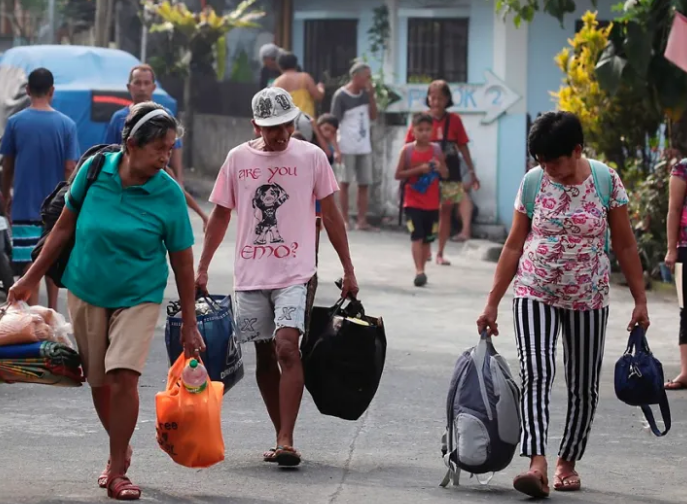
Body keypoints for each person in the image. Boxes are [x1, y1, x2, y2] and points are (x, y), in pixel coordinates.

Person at [8, 102, 204, 501]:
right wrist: (29, 278)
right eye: (159, 149)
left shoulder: (167, 193)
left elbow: (183, 264)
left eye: (170, 148)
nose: (165, 158)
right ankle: (121, 445)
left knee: (123, 376)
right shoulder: (94, 172)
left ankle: (117, 470)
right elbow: (63, 228)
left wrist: (189, 321)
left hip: (139, 295)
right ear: (132, 144)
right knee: (98, 381)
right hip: (86, 290)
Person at [476, 111, 649, 498]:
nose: (548, 169)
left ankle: (566, 461)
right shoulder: (534, 182)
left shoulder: (606, 181)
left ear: (576, 150)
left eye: (554, 162)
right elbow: (513, 245)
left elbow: (624, 244)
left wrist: (641, 301)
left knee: (583, 386)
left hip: (588, 298)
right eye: (541, 162)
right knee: (536, 371)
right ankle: (536, 463)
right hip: (534, 290)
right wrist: (492, 304)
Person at [196, 87, 358, 467]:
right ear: (255, 125)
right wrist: (202, 267)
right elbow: (220, 216)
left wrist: (348, 268)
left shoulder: (312, 157)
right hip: (251, 275)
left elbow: (331, 216)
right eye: (271, 128)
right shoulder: (238, 159)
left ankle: (287, 439)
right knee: (265, 356)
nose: (280, 134)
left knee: (287, 347)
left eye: (286, 125)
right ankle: (279, 434)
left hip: (295, 272)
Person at [0, 67, 80, 310]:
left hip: (25, 206)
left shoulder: (15, 123)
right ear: (52, 91)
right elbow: (70, 168)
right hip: (58, 210)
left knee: (28, 264)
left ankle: (32, 315)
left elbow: (7, 165)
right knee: (53, 260)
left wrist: (5, 196)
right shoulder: (67, 125)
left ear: (27, 90)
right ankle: (52, 313)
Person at [104, 64, 209, 229]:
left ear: (153, 87)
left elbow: (176, 151)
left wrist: (180, 182)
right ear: (129, 87)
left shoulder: (164, 117)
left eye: (146, 83)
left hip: (153, 185)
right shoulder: (119, 118)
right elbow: (107, 152)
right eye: (137, 83)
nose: (142, 88)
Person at [405, 80, 479, 265]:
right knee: (426, 210)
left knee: (445, 210)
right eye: (433, 97)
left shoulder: (454, 120)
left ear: (447, 99)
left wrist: (471, 171)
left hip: (449, 170)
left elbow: (462, 146)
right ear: (428, 98)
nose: (436, 102)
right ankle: (427, 248)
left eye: (440, 98)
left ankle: (440, 252)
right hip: (424, 172)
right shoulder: (420, 119)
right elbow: (407, 146)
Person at [395, 113, 448, 287]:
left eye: (427, 129)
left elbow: (446, 174)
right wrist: (419, 170)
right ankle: (419, 270)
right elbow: (398, 174)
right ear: (413, 131)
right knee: (416, 235)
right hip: (412, 201)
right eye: (420, 130)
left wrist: (439, 168)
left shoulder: (437, 151)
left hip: (432, 204)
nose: (424, 133)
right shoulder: (408, 151)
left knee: (427, 238)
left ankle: (422, 268)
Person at [331, 62, 378, 231]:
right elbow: (333, 124)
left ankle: (362, 220)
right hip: (346, 145)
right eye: (367, 77)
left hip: (364, 146)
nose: (369, 81)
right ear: (356, 77)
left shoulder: (366, 95)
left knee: (364, 183)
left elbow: (373, 116)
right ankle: (345, 219)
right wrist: (336, 148)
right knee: (345, 182)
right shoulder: (341, 96)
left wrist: (372, 97)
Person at [664, 154, 687, 390]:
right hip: (685, 249)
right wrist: (671, 249)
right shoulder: (683, 168)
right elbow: (674, 209)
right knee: (686, 311)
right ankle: (686, 372)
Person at [273, 51, 324, 119]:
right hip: (305, 120)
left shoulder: (277, 83)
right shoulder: (305, 78)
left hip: (287, 122)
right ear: (295, 64)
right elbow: (318, 96)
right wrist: (321, 88)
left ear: (279, 66)